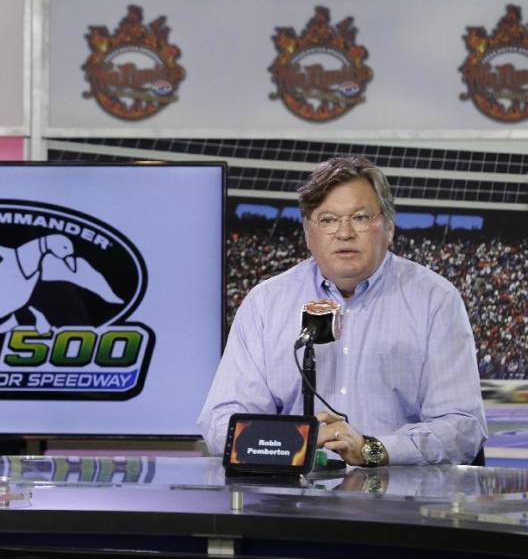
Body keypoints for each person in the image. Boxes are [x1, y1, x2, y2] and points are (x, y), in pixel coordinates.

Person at [197, 156, 487, 466]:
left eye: (361, 217)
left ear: (389, 227)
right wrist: (297, 442)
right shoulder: (266, 303)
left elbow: (462, 426)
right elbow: (220, 422)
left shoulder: (435, 300)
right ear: (309, 233)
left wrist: (372, 448)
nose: (344, 232)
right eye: (328, 220)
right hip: (289, 502)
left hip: (400, 501)